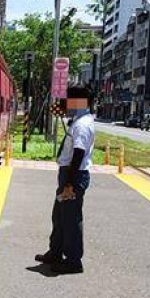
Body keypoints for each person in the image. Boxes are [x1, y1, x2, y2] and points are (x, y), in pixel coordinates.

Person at [35, 86, 95, 274]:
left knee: (70, 219)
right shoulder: (77, 121)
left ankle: (73, 261)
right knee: (60, 216)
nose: (64, 104)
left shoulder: (82, 125)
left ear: (78, 102)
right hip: (69, 174)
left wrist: (69, 183)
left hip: (73, 176)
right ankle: (56, 251)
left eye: (68, 100)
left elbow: (78, 153)